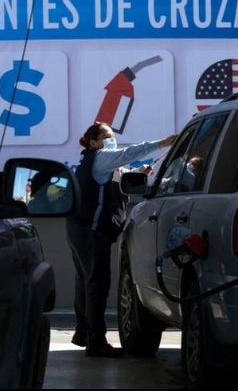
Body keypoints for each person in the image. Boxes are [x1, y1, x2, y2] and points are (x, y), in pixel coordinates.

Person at [67, 121, 176, 358]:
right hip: (91, 231)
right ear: (94, 142)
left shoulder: (98, 163)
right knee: (97, 284)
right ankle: (95, 342)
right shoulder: (101, 156)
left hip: (81, 229)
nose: (111, 140)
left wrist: (140, 174)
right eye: (106, 136)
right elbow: (129, 154)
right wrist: (162, 143)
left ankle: (83, 332)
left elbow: (120, 178)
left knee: (85, 281)